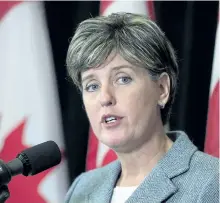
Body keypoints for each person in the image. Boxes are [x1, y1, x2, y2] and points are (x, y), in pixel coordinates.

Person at [65, 12, 219, 203]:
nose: (105, 97)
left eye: (123, 79)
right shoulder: (82, 188)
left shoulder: (212, 182)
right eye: (92, 86)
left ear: (162, 89)